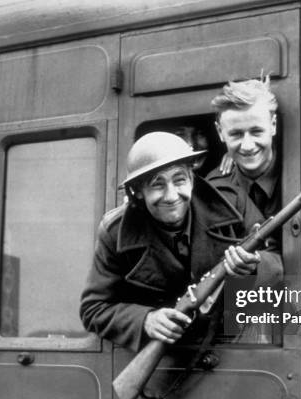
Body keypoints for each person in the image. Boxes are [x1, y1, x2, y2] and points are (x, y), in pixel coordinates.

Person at [80, 131, 282, 351]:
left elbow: (277, 259)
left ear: (192, 179)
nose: (171, 195)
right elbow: (93, 309)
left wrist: (253, 265)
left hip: (232, 347)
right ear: (138, 191)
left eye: (179, 180)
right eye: (157, 184)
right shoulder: (115, 232)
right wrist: (146, 320)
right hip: (168, 360)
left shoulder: (231, 202)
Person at [207, 78, 281, 220]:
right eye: (236, 134)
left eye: (256, 131)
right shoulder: (213, 189)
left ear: (273, 125)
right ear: (220, 132)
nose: (247, 146)